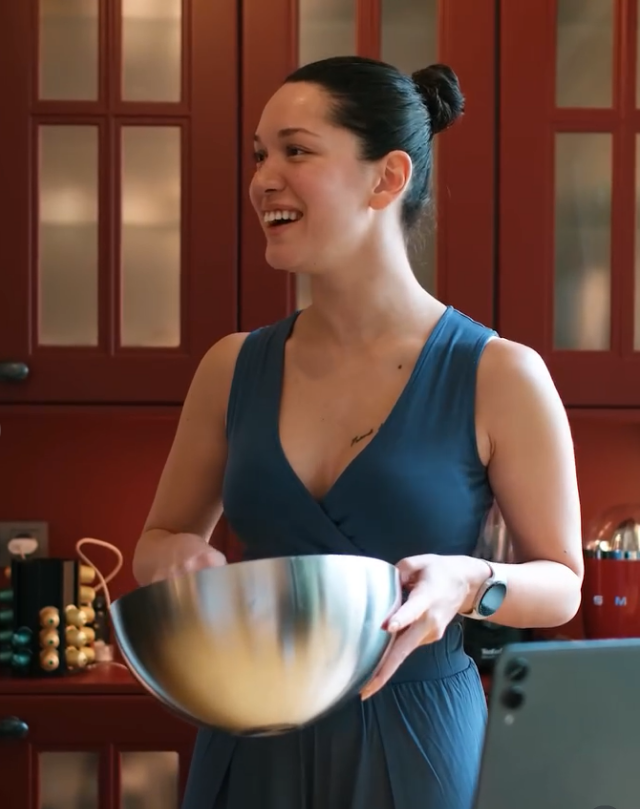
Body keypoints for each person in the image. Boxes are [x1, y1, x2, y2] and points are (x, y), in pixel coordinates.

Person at [132, 55, 584, 809]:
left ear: (387, 177)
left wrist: (469, 582)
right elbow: (158, 538)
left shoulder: (500, 374)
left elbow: (563, 584)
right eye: (259, 155)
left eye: (296, 151)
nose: (263, 179)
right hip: (250, 736)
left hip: (418, 740)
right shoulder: (231, 366)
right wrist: (173, 555)